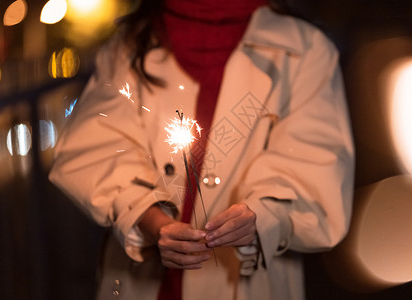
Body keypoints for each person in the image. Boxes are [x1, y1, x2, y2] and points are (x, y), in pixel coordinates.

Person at [49, 0, 355, 299]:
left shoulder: (305, 49)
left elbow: (315, 166)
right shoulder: (128, 46)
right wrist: (149, 219)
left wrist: (261, 218)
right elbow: (97, 149)